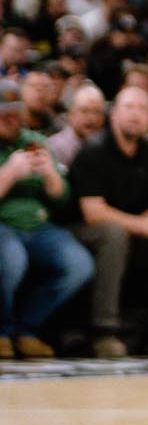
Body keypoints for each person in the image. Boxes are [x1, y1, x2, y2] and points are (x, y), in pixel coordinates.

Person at [70, 84, 148, 358]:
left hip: (126, 227)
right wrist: (146, 226)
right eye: (128, 107)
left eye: (142, 108)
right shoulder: (93, 150)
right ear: (113, 113)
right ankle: (103, 331)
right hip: (81, 230)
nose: (135, 114)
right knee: (113, 234)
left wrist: (143, 225)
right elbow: (94, 212)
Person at [0, 87, 94, 358]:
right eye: (4, 115)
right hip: (4, 224)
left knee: (79, 265)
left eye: (15, 115)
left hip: (39, 225)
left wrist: (52, 177)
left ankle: (27, 328)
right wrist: (10, 173)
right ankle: (3, 332)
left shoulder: (36, 141)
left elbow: (62, 201)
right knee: (12, 259)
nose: (11, 121)